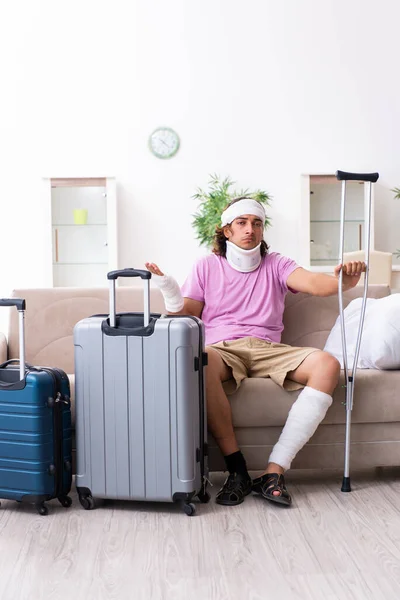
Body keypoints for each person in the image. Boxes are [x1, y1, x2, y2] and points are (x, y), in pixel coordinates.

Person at [145, 197, 365, 507]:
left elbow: (315, 283)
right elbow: (187, 316)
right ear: (226, 231)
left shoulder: (276, 263)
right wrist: (170, 293)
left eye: (257, 223)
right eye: (242, 223)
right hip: (222, 348)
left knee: (327, 364)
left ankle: (273, 471)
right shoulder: (206, 266)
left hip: (268, 349)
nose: (250, 229)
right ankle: (238, 470)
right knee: (200, 359)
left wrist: (343, 281)